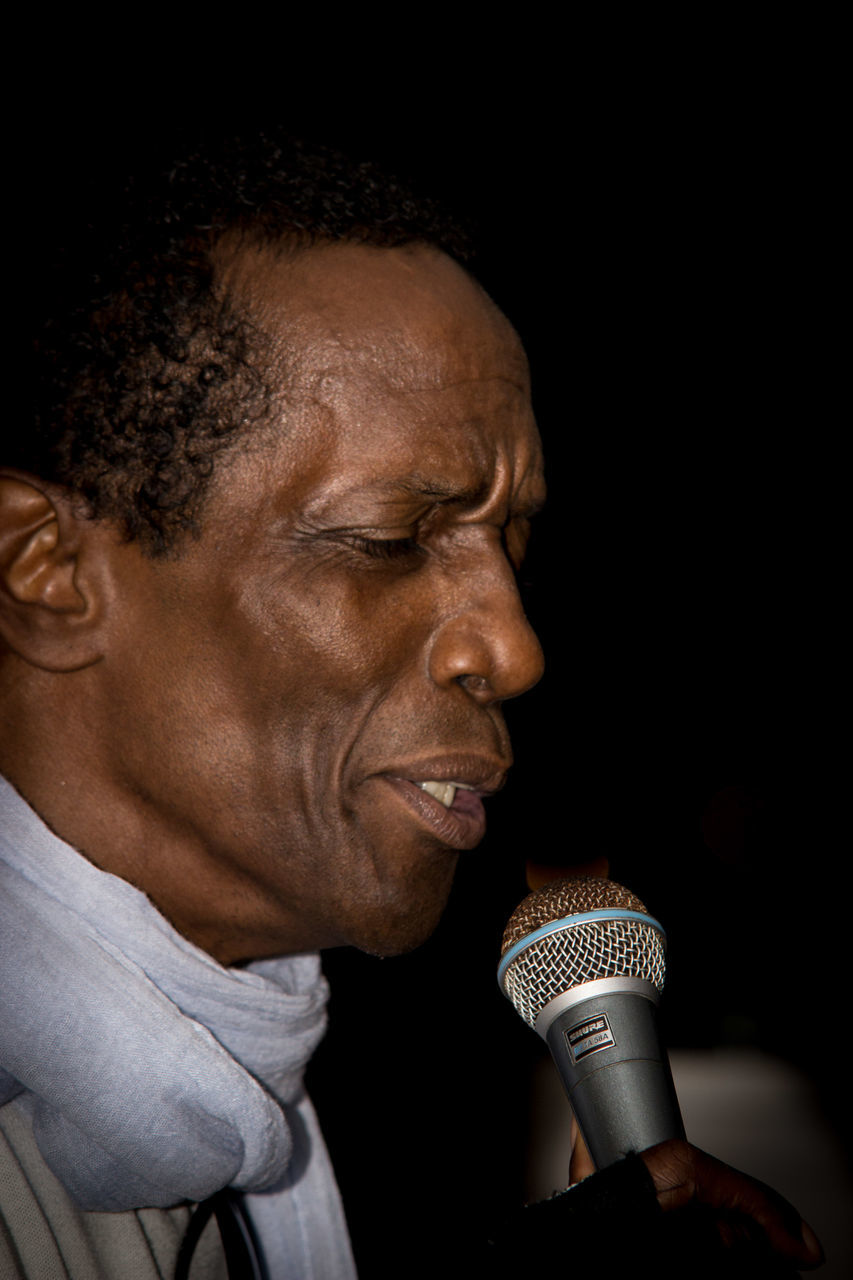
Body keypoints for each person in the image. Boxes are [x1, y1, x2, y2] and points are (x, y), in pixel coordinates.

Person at [1, 131, 823, 1278]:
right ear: (46, 570)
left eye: (514, 539)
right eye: (391, 539)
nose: (516, 648)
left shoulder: (305, 1084)